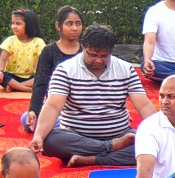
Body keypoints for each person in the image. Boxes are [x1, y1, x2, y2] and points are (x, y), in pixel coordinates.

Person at [30, 25, 157, 168]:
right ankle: (110, 148)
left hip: (119, 134)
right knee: (49, 141)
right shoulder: (65, 70)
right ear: (83, 47)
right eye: (92, 55)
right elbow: (53, 107)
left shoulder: (126, 69)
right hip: (76, 136)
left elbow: (144, 105)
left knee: (153, 144)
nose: (98, 60)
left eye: (104, 56)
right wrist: (39, 136)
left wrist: (162, 130)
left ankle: (93, 158)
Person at [22, 7, 84, 133]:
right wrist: (33, 110)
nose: (75, 28)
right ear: (58, 25)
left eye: (78, 24)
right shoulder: (49, 51)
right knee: (26, 119)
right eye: (69, 24)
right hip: (56, 106)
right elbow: (40, 83)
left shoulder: (86, 51)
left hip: (82, 107)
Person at [0, 9, 43, 94]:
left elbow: (44, 61)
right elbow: (2, 60)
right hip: (12, 76)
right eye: (13, 23)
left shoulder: (38, 42)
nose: (14, 26)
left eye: (18, 24)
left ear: (29, 25)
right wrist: (0, 72)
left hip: (31, 77)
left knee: (45, 77)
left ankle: (15, 87)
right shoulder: (9, 41)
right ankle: (27, 89)